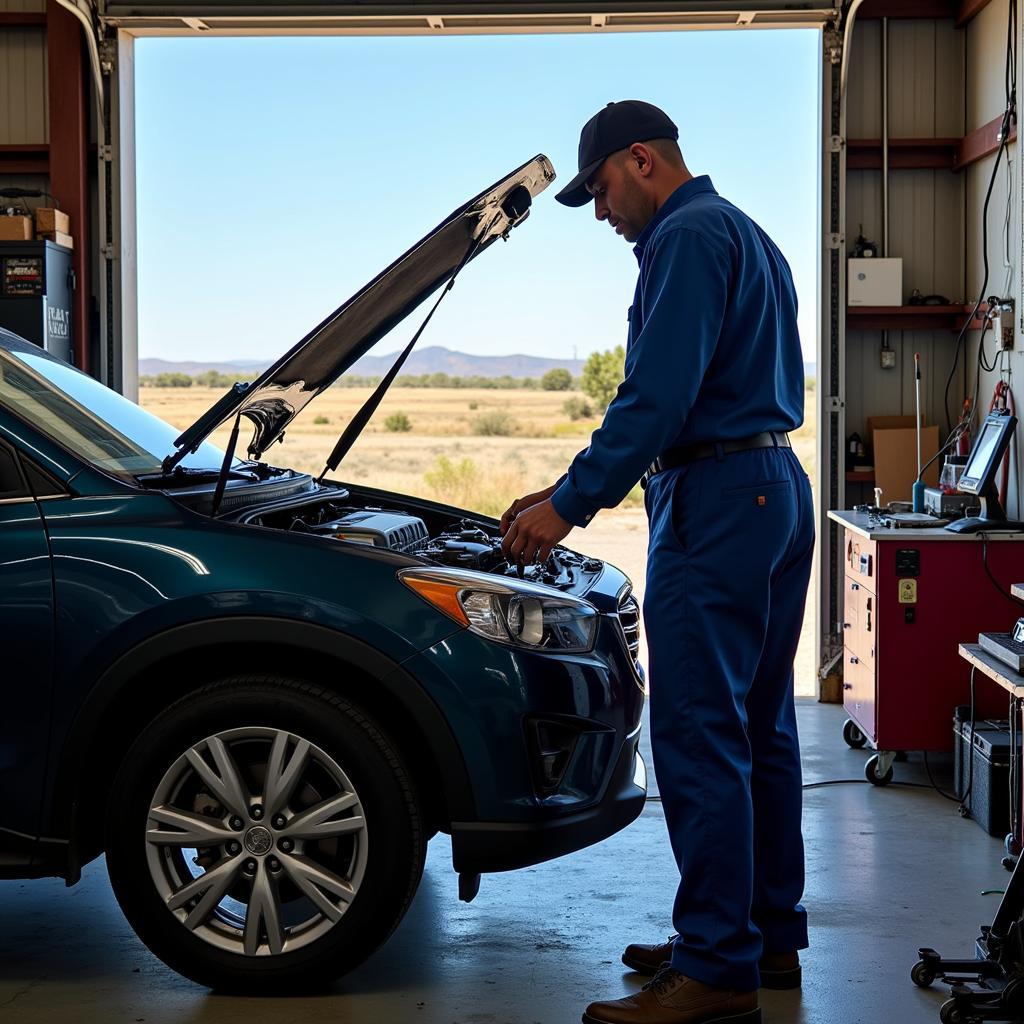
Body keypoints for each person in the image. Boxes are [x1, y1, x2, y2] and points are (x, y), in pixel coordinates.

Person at [499, 100, 814, 1024]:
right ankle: (764, 937)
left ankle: (717, 968)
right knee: (760, 728)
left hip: (716, 500)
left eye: (599, 191)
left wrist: (568, 503)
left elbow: (657, 398)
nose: (600, 213)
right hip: (770, 487)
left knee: (696, 732)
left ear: (642, 160)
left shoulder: (685, 238)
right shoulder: (745, 232)